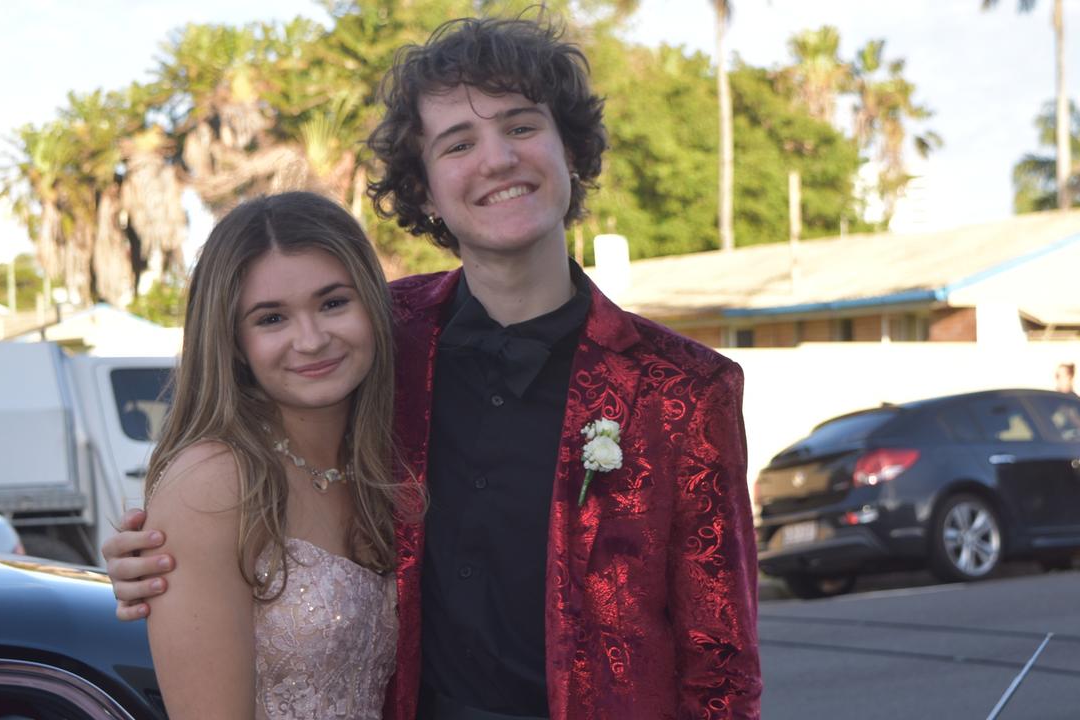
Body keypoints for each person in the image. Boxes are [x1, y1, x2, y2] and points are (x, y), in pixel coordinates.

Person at [105, 14, 762, 720]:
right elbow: (252, 453)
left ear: (568, 149)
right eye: (457, 143)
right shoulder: (373, 338)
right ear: (421, 190)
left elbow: (719, 667)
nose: (497, 159)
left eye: (519, 126)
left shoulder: (683, 390)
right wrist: (148, 552)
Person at [136, 191, 402, 718]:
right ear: (234, 342)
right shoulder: (214, 482)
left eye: (332, 303)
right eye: (271, 319)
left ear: (371, 303)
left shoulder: (382, 464)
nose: (310, 339)